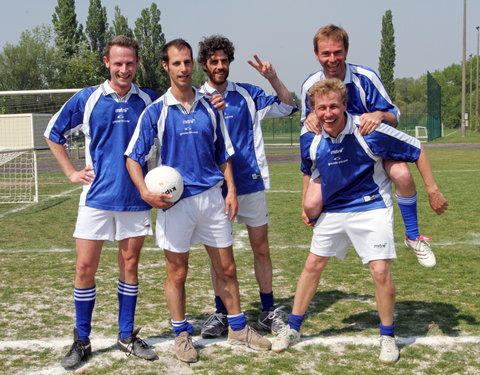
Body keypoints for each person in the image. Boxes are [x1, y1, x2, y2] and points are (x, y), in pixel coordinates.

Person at [271, 79, 448, 362]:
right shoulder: (310, 137)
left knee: (379, 270)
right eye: (321, 108)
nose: (328, 114)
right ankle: (293, 329)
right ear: (313, 112)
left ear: (344, 106)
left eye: (333, 107)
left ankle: (387, 336)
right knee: (313, 264)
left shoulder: (369, 130)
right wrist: (305, 204)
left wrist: (432, 189)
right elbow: (308, 169)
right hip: (334, 209)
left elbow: (416, 148)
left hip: (371, 207)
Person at [125, 38, 271, 363]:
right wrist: (145, 192)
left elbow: (224, 155)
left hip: (211, 199)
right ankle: (181, 334)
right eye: (176, 63)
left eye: (188, 62)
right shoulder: (155, 112)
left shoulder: (210, 106)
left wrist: (231, 190)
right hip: (176, 205)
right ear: (166, 66)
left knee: (227, 267)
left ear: (194, 65)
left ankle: (238, 327)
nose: (183, 68)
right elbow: (133, 158)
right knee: (178, 272)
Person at [44, 36, 160, 369]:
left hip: (135, 199)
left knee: (130, 267)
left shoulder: (150, 101)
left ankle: (126, 335)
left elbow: (183, 109)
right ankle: (81, 340)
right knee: (84, 269)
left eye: (130, 63)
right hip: (95, 198)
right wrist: (70, 171)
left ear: (138, 63)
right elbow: (54, 133)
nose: (124, 69)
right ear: (106, 63)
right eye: (118, 63)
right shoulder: (88, 98)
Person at [300, 24, 439, 267]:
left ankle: (413, 236)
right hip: (337, 153)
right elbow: (310, 124)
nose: (332, 59)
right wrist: (310, 118)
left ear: (346, 51)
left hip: (372, 148)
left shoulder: (366, 78)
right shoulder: (310, 84)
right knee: (310, 206)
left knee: (403, 174)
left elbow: (393, 116)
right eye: (326, 53)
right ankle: (331, 220)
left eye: (338, 52)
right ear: (316, 54)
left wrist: (379, 115)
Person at [196, 35, 298, 338]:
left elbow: (288, 106)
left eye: (224, 61)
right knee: (219, 256)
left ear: (229, 63)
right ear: (204, 64)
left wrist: (273, 77)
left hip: (250, 183)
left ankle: (267, 311)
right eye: (213, 61)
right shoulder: (194, 98)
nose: (219, 66)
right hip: (215, 188)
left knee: (261, 248)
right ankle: (221, 312)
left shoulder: (248, 94)